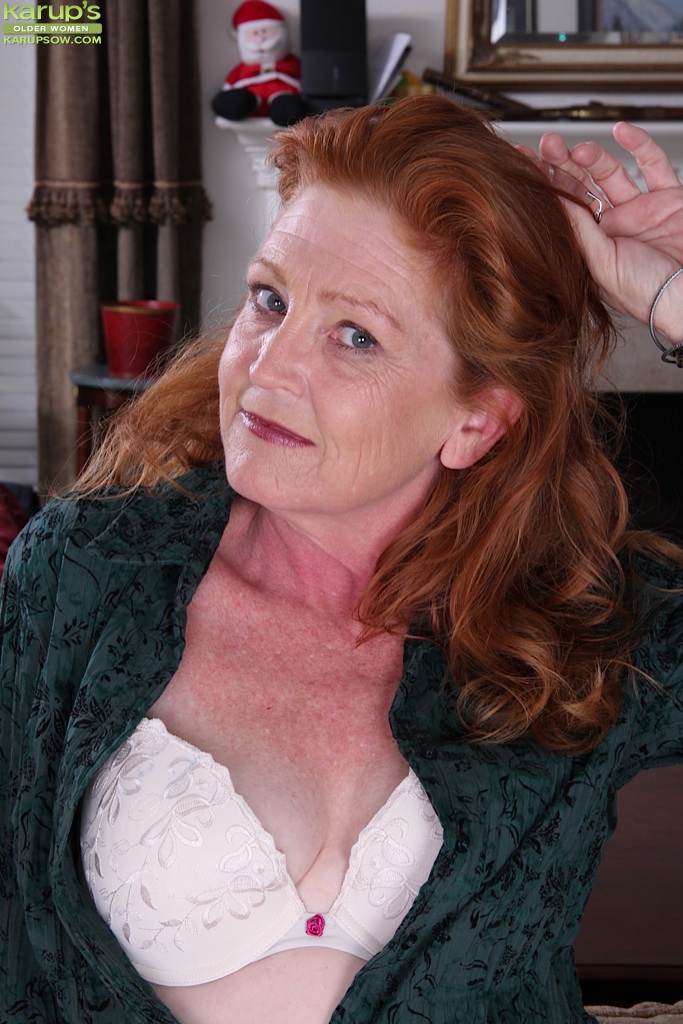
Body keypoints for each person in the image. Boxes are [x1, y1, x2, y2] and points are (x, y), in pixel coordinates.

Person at [1, 96, 682, 1024]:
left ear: (474, 423)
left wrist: (673, 304)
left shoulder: (583, 627)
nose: (266, 368)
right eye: (270, 300)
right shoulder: (91, 567)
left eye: (355, 336)